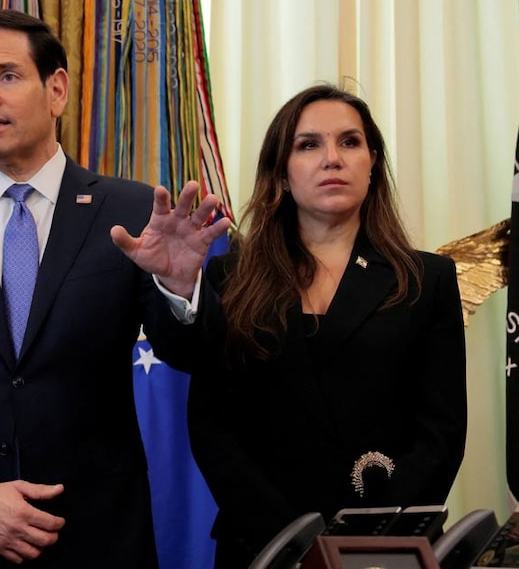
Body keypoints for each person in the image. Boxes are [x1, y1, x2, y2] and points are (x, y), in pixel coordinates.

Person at [0, 9, 228, 568]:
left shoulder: (129, 212)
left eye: (7, 76)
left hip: (96, 538)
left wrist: (178, 288)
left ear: (56, 89)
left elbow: (193, 355)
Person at [132, 84, 467, 566]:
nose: (332, 158)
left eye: (350, 142)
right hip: (263, 545)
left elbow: (441, 431)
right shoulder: (230, 276)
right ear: (282, 175)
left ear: (373, 164)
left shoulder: (427, 279)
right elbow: (212, 426)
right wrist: (295, 543)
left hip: (384, 548)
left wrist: (372, 536)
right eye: (308, 144)